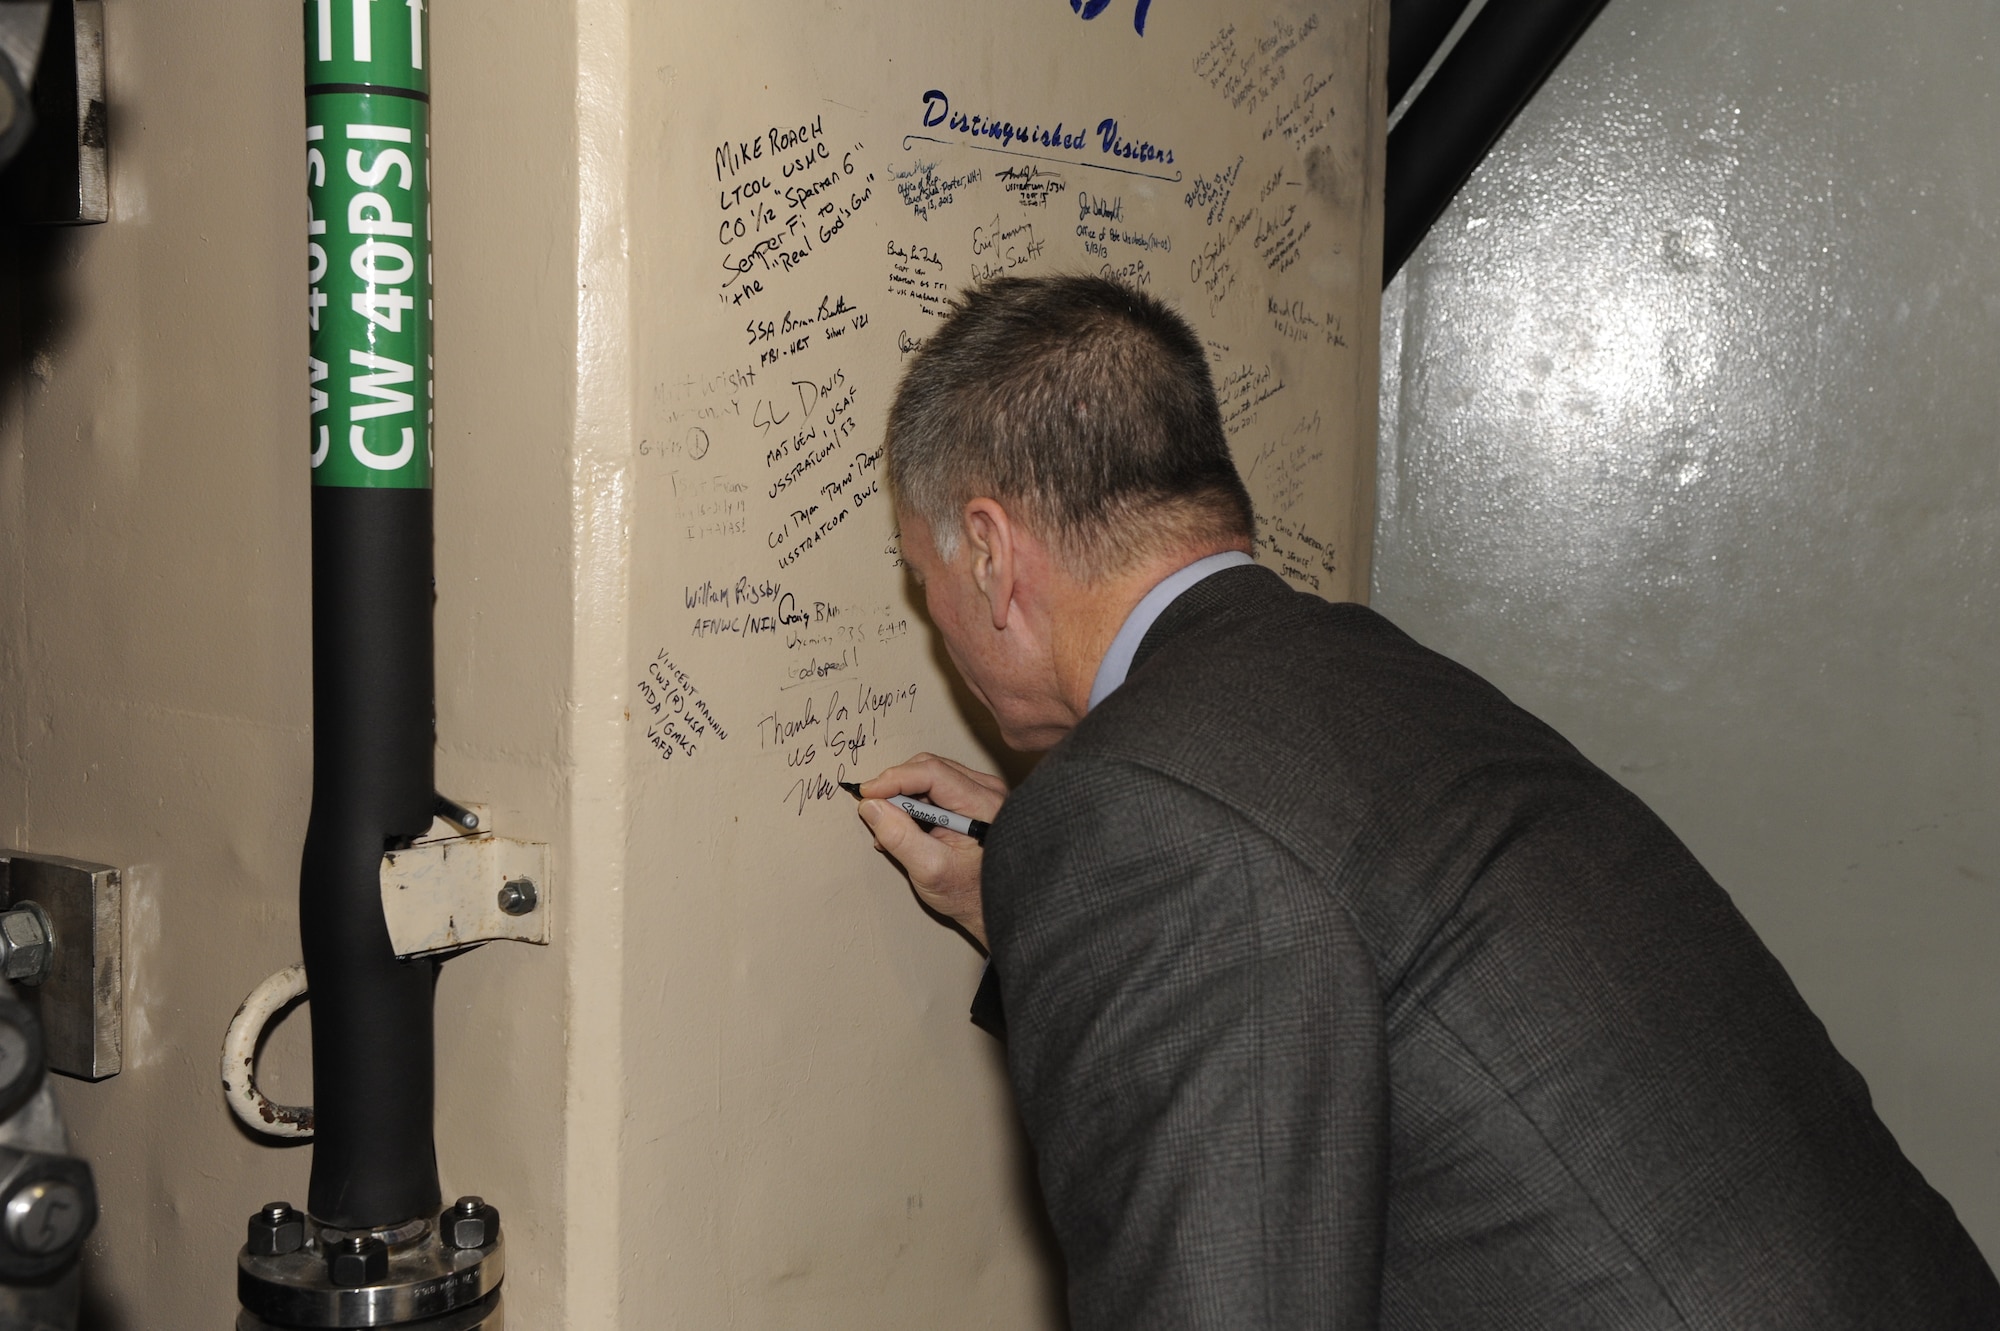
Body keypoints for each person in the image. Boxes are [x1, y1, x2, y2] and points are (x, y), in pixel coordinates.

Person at [852, 274, 2000, 1329]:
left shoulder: (1144, 812)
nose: (936, 615)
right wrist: (1041, 902)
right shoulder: (1358, 674)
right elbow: (1351, 965)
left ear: (994, 554)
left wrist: (1085, 856)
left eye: (925, 574)